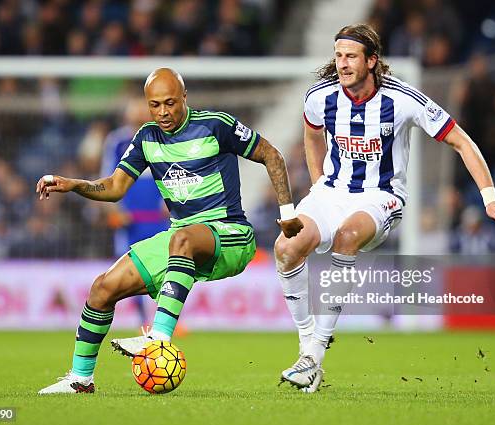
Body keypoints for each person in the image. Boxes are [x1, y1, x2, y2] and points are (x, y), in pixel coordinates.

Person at [274, 24, 495, 393]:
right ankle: (307, 345)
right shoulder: (319, 97)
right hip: (331, 192)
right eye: (338, 55)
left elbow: (461, 142)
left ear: (372, 60)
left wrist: (490, 198)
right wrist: (319, 182)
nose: (342, 63)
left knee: (346, 236)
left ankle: (316, 355)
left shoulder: (402, 99)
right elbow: (311, 134)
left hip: (380, 198)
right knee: (286, 248)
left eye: (351, 56)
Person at [37, 68, 303, 394]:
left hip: (230, 233)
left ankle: (158, 338)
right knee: (103, 288)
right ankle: (80, 379)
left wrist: (287, 212)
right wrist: (73, 184)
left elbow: (272, 155)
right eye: (155, 105)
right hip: (182, 237)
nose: (163, 112)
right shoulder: (146, 137)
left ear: (184, 97)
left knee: (182, 238)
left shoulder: (216, 125)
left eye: (170, 103)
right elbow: (115, 187)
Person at [100, 98, 170, 326]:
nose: (139, 116)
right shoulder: (117, 141)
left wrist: (170, 201)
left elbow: (173, 171)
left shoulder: (165, 137)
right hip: (130, 218)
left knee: (167, 265)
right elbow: (108, 178)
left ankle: (164, 318)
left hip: (158, 216)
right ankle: (142, 319)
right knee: (131, 268)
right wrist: (115, 209)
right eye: (135, 111)